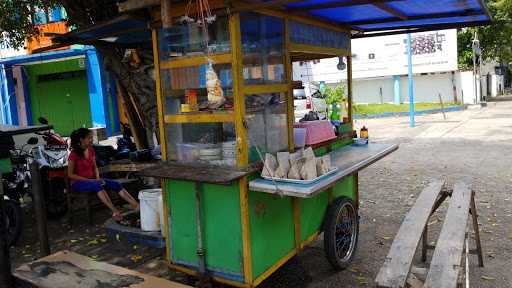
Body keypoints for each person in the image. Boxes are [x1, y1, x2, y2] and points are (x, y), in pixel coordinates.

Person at [67, 128, 139, 220]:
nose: (91, 140)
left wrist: (97, 177)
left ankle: (136, 205)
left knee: (115, 184)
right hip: (78, 183)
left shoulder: (91, 150)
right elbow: (70, 174)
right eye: (89, 138)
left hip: (93, 180)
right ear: (81, 140)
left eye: (91, 137)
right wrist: (91, 180)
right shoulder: (73, 155)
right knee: (97, 184)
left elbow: (95, 167)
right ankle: (115, 211)